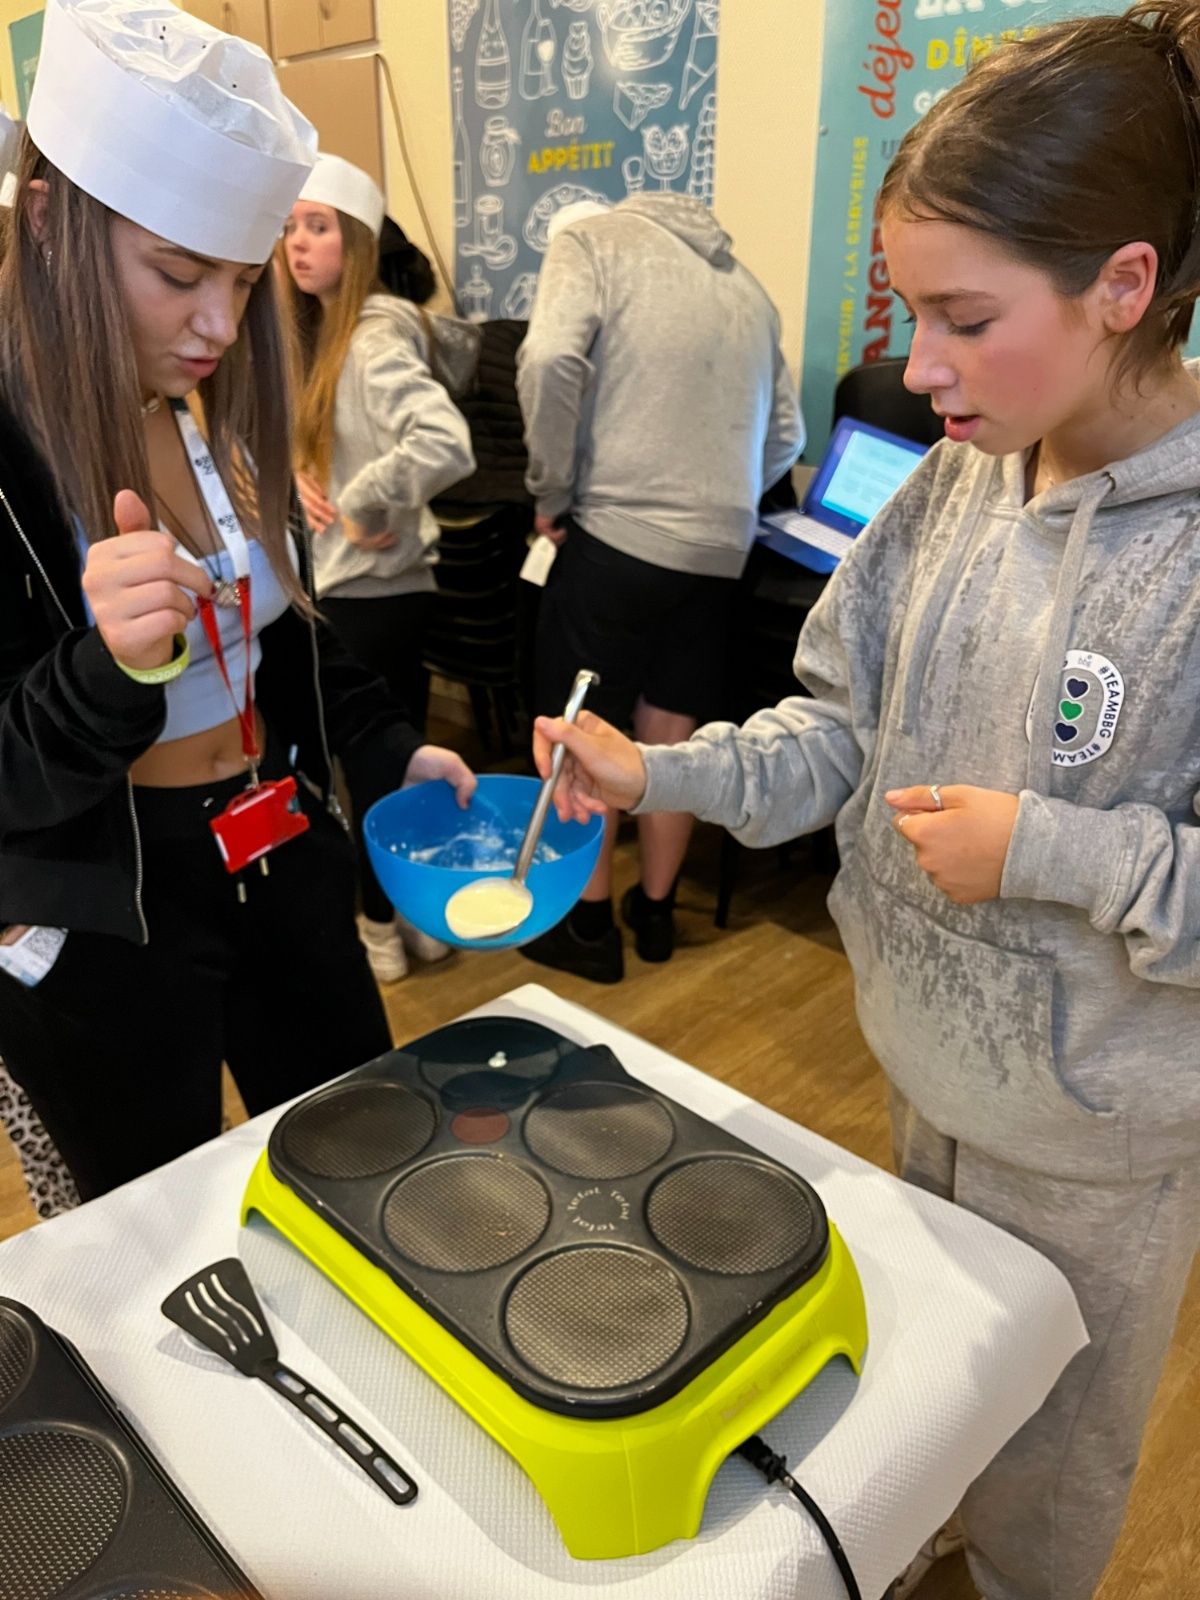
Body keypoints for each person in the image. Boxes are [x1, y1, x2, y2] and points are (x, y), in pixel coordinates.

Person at [533, 6, 1200, 1596]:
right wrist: (659, 771)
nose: (919, 367)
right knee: (929, 1417)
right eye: (911, 313)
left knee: (1047, 1481)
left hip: (1096, 1149)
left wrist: (1047, 850)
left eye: (967, 318)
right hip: (919, 1076)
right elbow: (837, 731)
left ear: (1123, 286)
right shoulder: (954, 482)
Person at [0, 0, 474, 1202]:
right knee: (157, 1233)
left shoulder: (202, 396)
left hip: (277, 839)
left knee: (366, 1165)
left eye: (244, 278)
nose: (218, 322)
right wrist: (108, 667)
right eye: (177, 273)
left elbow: (281, 638)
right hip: (108, 916)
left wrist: (387, 744)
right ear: (48, 220)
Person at [516, 193, 804, 983]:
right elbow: (788, 434)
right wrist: (722, 503)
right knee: (671, 736)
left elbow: (548, 361)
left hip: (616, 533)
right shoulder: (750, 289)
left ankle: (587, 929)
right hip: (720, 553)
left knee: (583, 730)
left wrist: (552, 491)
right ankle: (655, 913)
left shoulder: (592, 242)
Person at [280, 152, 478, 983]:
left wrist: (364, 501)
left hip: (372, 595)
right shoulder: (325, 337)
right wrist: (301, 471)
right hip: (372, 589)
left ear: (357, 242)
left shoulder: (370, 338)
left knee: (372, 770)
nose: (297, 243)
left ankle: (378, 923)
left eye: (318, 227)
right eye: (290, 227)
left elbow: (444, 443)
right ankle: (412, 916)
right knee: (395, 761)